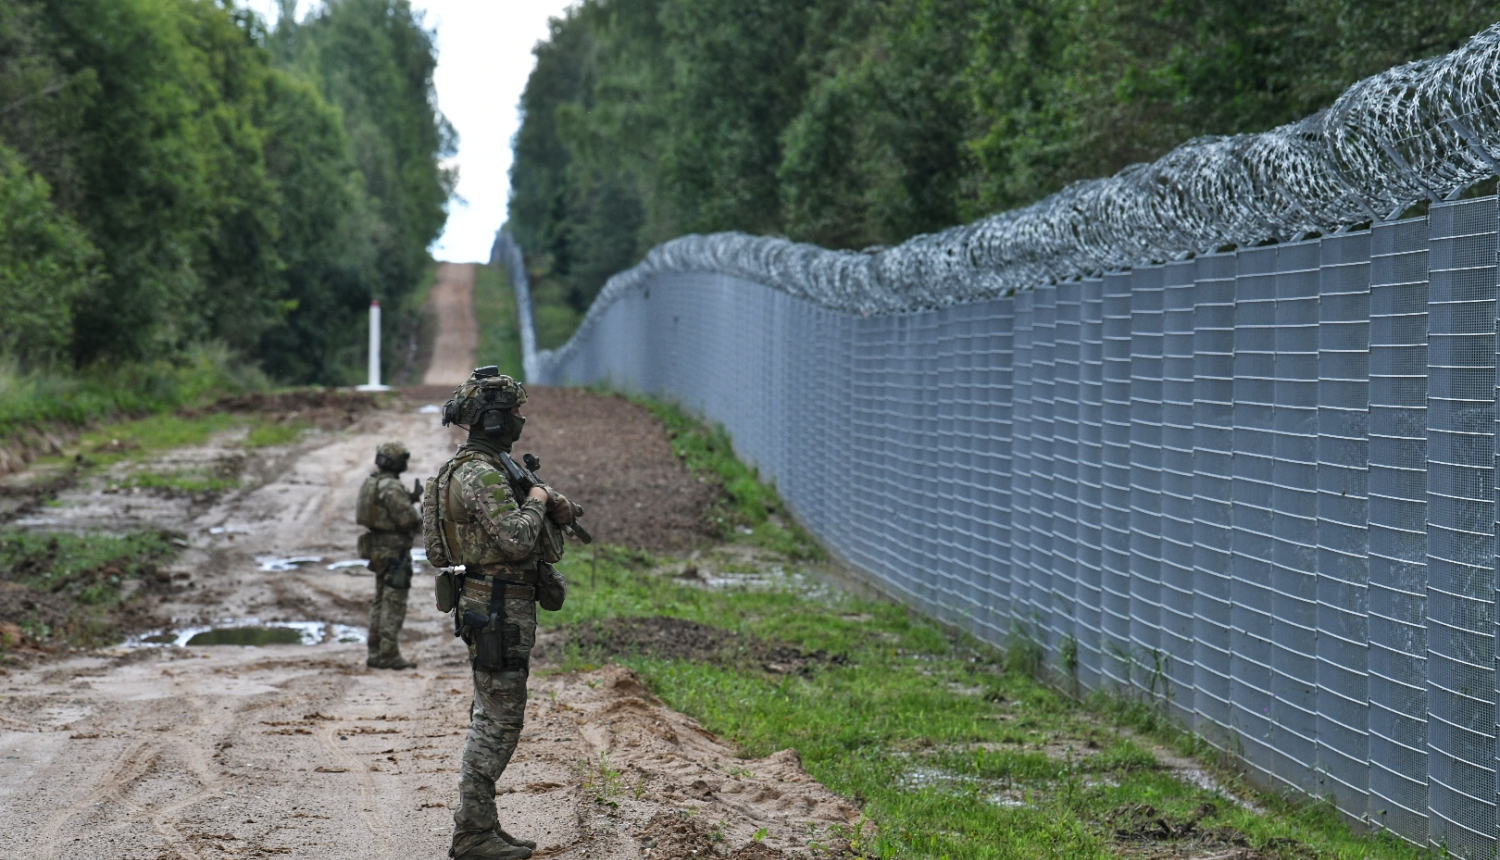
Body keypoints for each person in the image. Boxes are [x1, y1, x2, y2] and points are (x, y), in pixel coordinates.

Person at [428, 368, 577, 860]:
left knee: (491, 714)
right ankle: (472, 834)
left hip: (495, 604)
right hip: (496, 607)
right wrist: (537, 501)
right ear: (491, 419)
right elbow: (514, 539)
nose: (520, 418)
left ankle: (482, 826)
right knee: (499, 720)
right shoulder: (480, 472)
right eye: (513, 411)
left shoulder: (486, 465)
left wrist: (551, 502)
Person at [357, 440, 423, 670]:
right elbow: (407, 520)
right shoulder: (392, 487)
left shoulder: (374, 482)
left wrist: (411, 498)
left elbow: (383, 511)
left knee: (380, 600)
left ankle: (375, 652)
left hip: (378, 549)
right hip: (394, 552)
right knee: (393, 602)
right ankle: (389, 654)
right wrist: (423, 512)